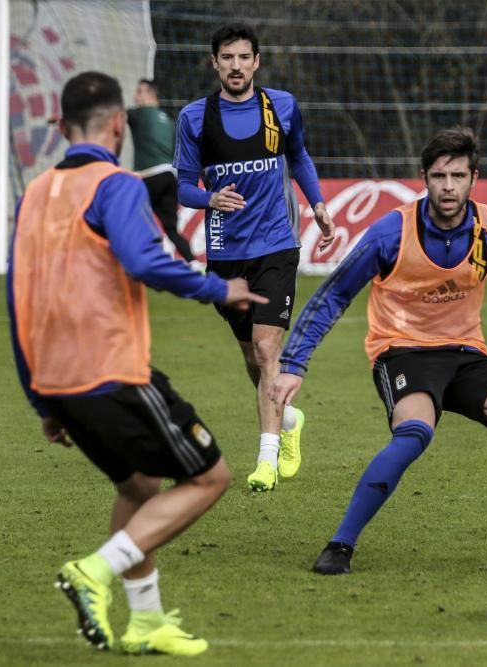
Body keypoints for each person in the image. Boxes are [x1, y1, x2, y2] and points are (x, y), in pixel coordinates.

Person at [270, 127, 487, 575]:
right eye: (438, 176)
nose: (447, 186)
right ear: (423, 178)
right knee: (414, 433)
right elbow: (333, 295)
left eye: (457, 175)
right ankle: (340, 545)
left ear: (475, 177)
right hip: (402, 355)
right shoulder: (392, 231)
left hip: (465, 355)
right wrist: (294, 364)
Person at [7, 71, 266, 654]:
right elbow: (144, 261)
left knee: (140, 485)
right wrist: (217, 290)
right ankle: (95, 571)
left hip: (58, 380)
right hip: (113, 371)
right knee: (210, 476)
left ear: (60, 126)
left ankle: (144, 621)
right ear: (119, 124)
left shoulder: (34, 193)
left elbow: (14, 299)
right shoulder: (115, 184)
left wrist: (40, 400)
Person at [174, 22, 335, 492]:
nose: (236, 65)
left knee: (268, 349)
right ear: (215, 64)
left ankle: (266, 458)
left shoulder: (280, 106)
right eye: (227, 58)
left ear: (257, 61)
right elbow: (184, 185)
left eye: (244, 57)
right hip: (226, 254)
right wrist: (210, 200)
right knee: (252, 356)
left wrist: (319, 203)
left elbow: (299, 157)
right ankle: (289, 422)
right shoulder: (194, 118)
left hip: (277, 246)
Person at [126, 78, 198, 268]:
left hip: (151, 176)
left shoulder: (139, 114)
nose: (135, 96)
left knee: (127, 216)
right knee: (171, 229)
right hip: (171, 177)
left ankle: (136, 263)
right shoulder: (169, 122)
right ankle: (193, 264)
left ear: (150, 94)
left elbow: (107, 117)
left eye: (139, 91)